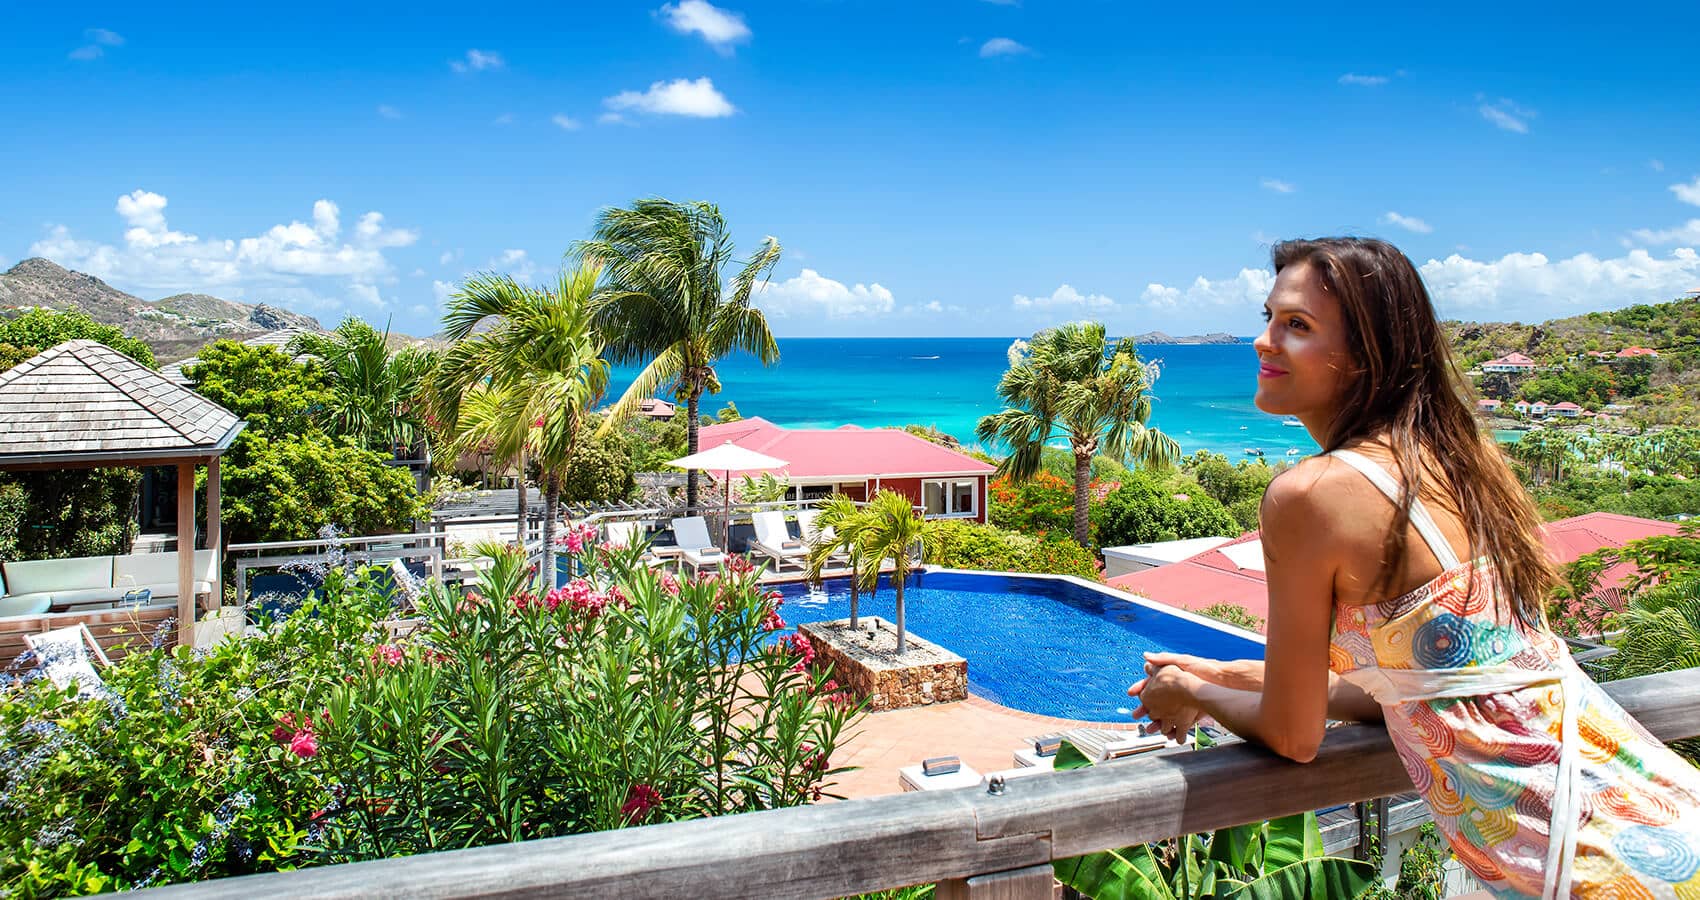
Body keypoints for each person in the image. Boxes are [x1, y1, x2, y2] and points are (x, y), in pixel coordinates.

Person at [1127, 237, 1700, 899]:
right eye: (1269, 317)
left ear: (1366, 355)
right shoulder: (1455, 462)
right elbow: (1423, 690)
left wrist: (1191, 693)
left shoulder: (1309, 496)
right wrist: (1221, 673)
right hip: (1651, 817)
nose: (1263, 341)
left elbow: (1293, 735)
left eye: (1298, 325)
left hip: (1593, 868)